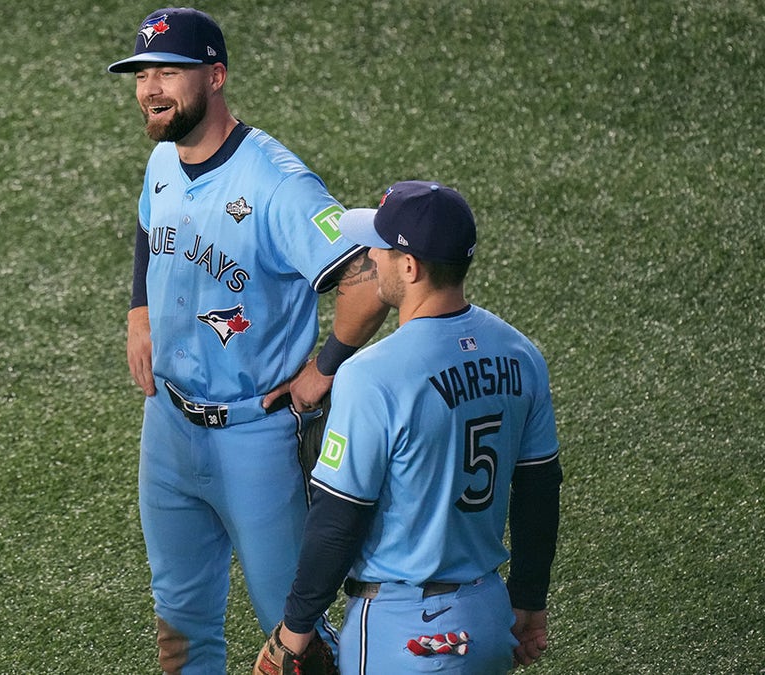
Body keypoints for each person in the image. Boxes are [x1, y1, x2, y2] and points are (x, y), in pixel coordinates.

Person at [107, 8, 390, 672]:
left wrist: (324, 368)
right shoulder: (162, 158)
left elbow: (368, 281)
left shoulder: (276, 183)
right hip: (169, 430)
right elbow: (151, 223)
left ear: (215, 75)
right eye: (143, 73)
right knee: (179, 624)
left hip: (256, 438)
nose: (151, 88)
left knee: (297, 633)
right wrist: (138, 311)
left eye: (169, 73)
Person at [254, 181, 563, 674]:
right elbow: (539, 492)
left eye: (381, 246)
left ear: (411, 267)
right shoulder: (520, 354)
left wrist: (294, 631)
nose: (370, 256)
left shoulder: (373, 376)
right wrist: (528, 599)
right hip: (487, 619)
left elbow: (338, 522)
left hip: (405, 635)